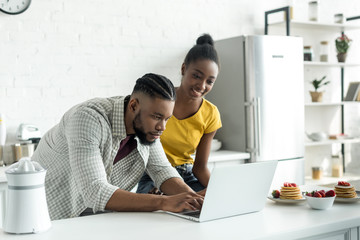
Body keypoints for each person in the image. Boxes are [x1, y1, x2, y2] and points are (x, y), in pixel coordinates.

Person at [31, 73, 203, 220]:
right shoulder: (88, 118)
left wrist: (193, 200)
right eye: (157, 117)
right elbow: (95, 190)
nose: (162, 127)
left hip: (94, 214)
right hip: (52, 211)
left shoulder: (147, 128)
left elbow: (162, 171)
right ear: (134, 105)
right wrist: (165, 202)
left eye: (167, 119)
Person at [137, 34, 221, 193]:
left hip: (187, 176)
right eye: (196, 76)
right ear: (184, 69)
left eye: (210, 81)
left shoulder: (211, 114)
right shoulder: (159, 101)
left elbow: (200, 168)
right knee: (161, 204)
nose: (202, 86)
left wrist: (216, 191)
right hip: (153, 175)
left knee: (210, 203)